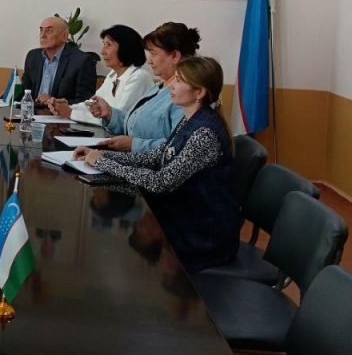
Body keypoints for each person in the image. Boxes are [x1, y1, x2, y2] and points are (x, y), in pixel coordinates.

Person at [74, 57, 240, 273]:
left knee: (125, 246)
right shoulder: (190, 119)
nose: (172, 85)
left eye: (179, 81)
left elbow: (161, 182)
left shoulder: (204, 134)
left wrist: (103, 162)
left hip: (202, 234)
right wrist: (104, 155)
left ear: (199, 92)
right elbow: (156, 156)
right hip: (184, 216)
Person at [85, 21, 197, 152]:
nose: (149, 61)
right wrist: (110, 114)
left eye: (153, 53)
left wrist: (134, 145)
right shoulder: (158, 87)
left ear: (175, 56)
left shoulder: (187, 95)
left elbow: (179, 147)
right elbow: (136, 126)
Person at [48, 24, 154, 120]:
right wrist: (66, 107)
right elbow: (92, 104)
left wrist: (71, 113)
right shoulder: (113, 75)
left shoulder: (139, 77)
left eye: (109, 45)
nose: (102, 51)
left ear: (126, 48)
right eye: (104, 44)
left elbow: (116, 118)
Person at [21, 15, 97, 108]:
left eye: (49, 31)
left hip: (61, 114)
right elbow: (25, 90)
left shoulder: (82, 61)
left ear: (64, 36)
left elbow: (84, 101)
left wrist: (53, 102)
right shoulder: (33, 56)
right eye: (41, 30)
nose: (43, 35)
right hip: (32, 112)